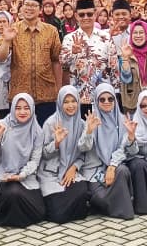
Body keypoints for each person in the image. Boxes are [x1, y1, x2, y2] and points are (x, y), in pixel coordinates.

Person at [0, 0, 63, 125]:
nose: (29, 8)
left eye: (33, 5)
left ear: (40, 9)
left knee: (46, 134)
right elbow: (1, 57)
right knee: (20, 135)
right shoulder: (12, 29)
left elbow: (56, 60)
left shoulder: (51, 31)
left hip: (47, 95)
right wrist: (7, 41)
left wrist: (58, 89)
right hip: (20, 96)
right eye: (26, 4)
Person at [0, 93, 46, 227]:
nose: (22, 112)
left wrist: (22, 175)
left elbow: (35, 161)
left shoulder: (37, 131)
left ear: (32, 109)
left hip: (26, 177)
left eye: (26, 108)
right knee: (14, 193)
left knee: (40, 211)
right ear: (12, 108)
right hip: (3, 176)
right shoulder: (2, 125)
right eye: (18, 108)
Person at [38, 86, 92, 223]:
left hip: (71, 172)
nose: (70, 105)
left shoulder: (82, 124)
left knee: (81, 192)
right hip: (51, 173)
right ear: (60, 103)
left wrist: (74, 167)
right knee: (57, 215)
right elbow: (42, 154)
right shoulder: (51, 123)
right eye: (66, 102)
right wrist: (56, 143)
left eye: (73, 101)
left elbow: (84, 153)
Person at [85, 83, 136, 219]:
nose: (107, 102)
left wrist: (112, 166)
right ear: (96, 101)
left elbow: (127, 150)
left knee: (123, 170)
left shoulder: (122, 120)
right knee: (101, 199)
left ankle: (122, 209)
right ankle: (115, 201)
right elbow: (83, 148)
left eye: (110, 99)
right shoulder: (91, 121)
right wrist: (89, 132)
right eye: (102, 99)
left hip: (115, 167)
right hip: (94, 171)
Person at [60, 0, 120, 112]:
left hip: (103, 97)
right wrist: (72, 53)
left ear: (95, 14)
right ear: (76, 16)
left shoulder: (106, 37)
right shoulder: (69, 38)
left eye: (89, 14)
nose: (86, 17)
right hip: (79, 97)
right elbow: (63, 63)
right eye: (82, 15)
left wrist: (116, 91)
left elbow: (114, 66)